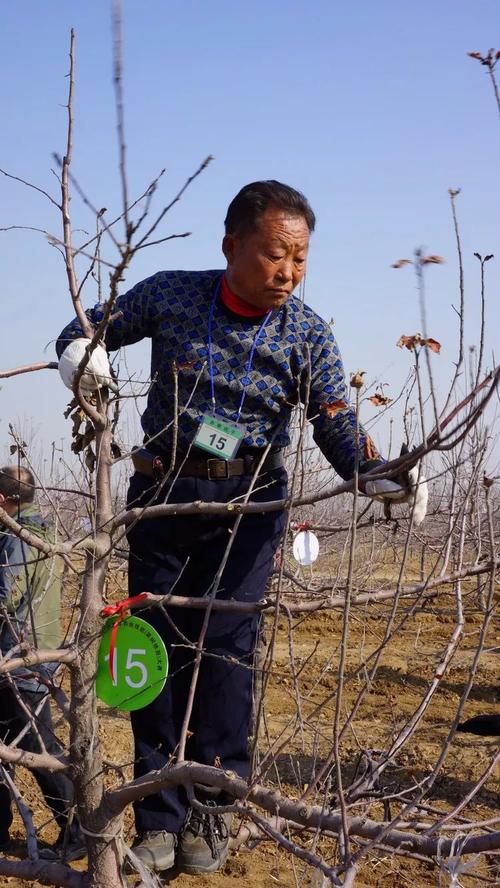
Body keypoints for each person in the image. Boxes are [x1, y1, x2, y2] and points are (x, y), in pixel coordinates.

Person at [57, 180, 425, 874]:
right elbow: (84, 330)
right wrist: (87, 362)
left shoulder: (308, 334)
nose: (287, 273)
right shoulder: (170, 294)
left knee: (225, 655)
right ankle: (158, 819)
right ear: (231, 247)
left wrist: (377, 474)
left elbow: (335, 424)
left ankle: (213, 810)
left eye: (301, 259)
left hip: (249, 509)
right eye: (274, 254)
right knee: (151, 657)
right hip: (163, 496)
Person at [0, 466, 84, 860]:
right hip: (34, 653)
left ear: (3, 499)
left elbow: (6, 595)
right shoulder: (44, 530)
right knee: (7, 746)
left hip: (20, 658)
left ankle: (77, 830)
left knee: (38, 749)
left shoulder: (18, 537)